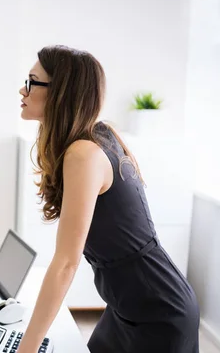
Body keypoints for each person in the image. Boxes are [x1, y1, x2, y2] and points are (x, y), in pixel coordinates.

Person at [16, 45, 199, 353]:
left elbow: (66, 264)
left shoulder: (84, 153)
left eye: (33, 81)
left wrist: (27, 347)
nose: (23, 89)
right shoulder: (98, 135)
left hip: (159, 313)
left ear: (61, 93)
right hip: (128, 307)